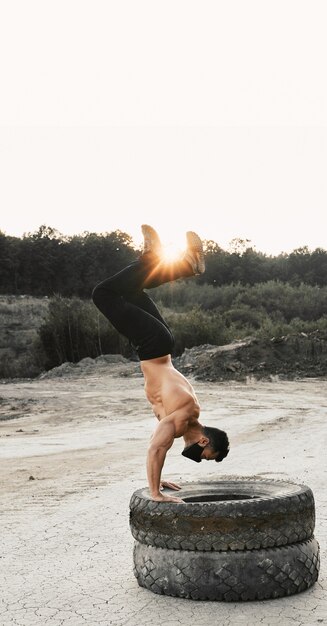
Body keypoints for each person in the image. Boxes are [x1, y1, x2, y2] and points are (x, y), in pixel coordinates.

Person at [92, 225, 229, 503]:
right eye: (205, 456)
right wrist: (155, 493)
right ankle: (167, 260)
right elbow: (156, 448)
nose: (199, 460)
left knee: (130, 290)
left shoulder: (187, 414)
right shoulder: (181, 419)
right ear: (204, 441)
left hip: (159, 344)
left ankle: (171, 261)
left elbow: (160, 449)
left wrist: (158, 478)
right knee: (103, 294)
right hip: (153, 344)